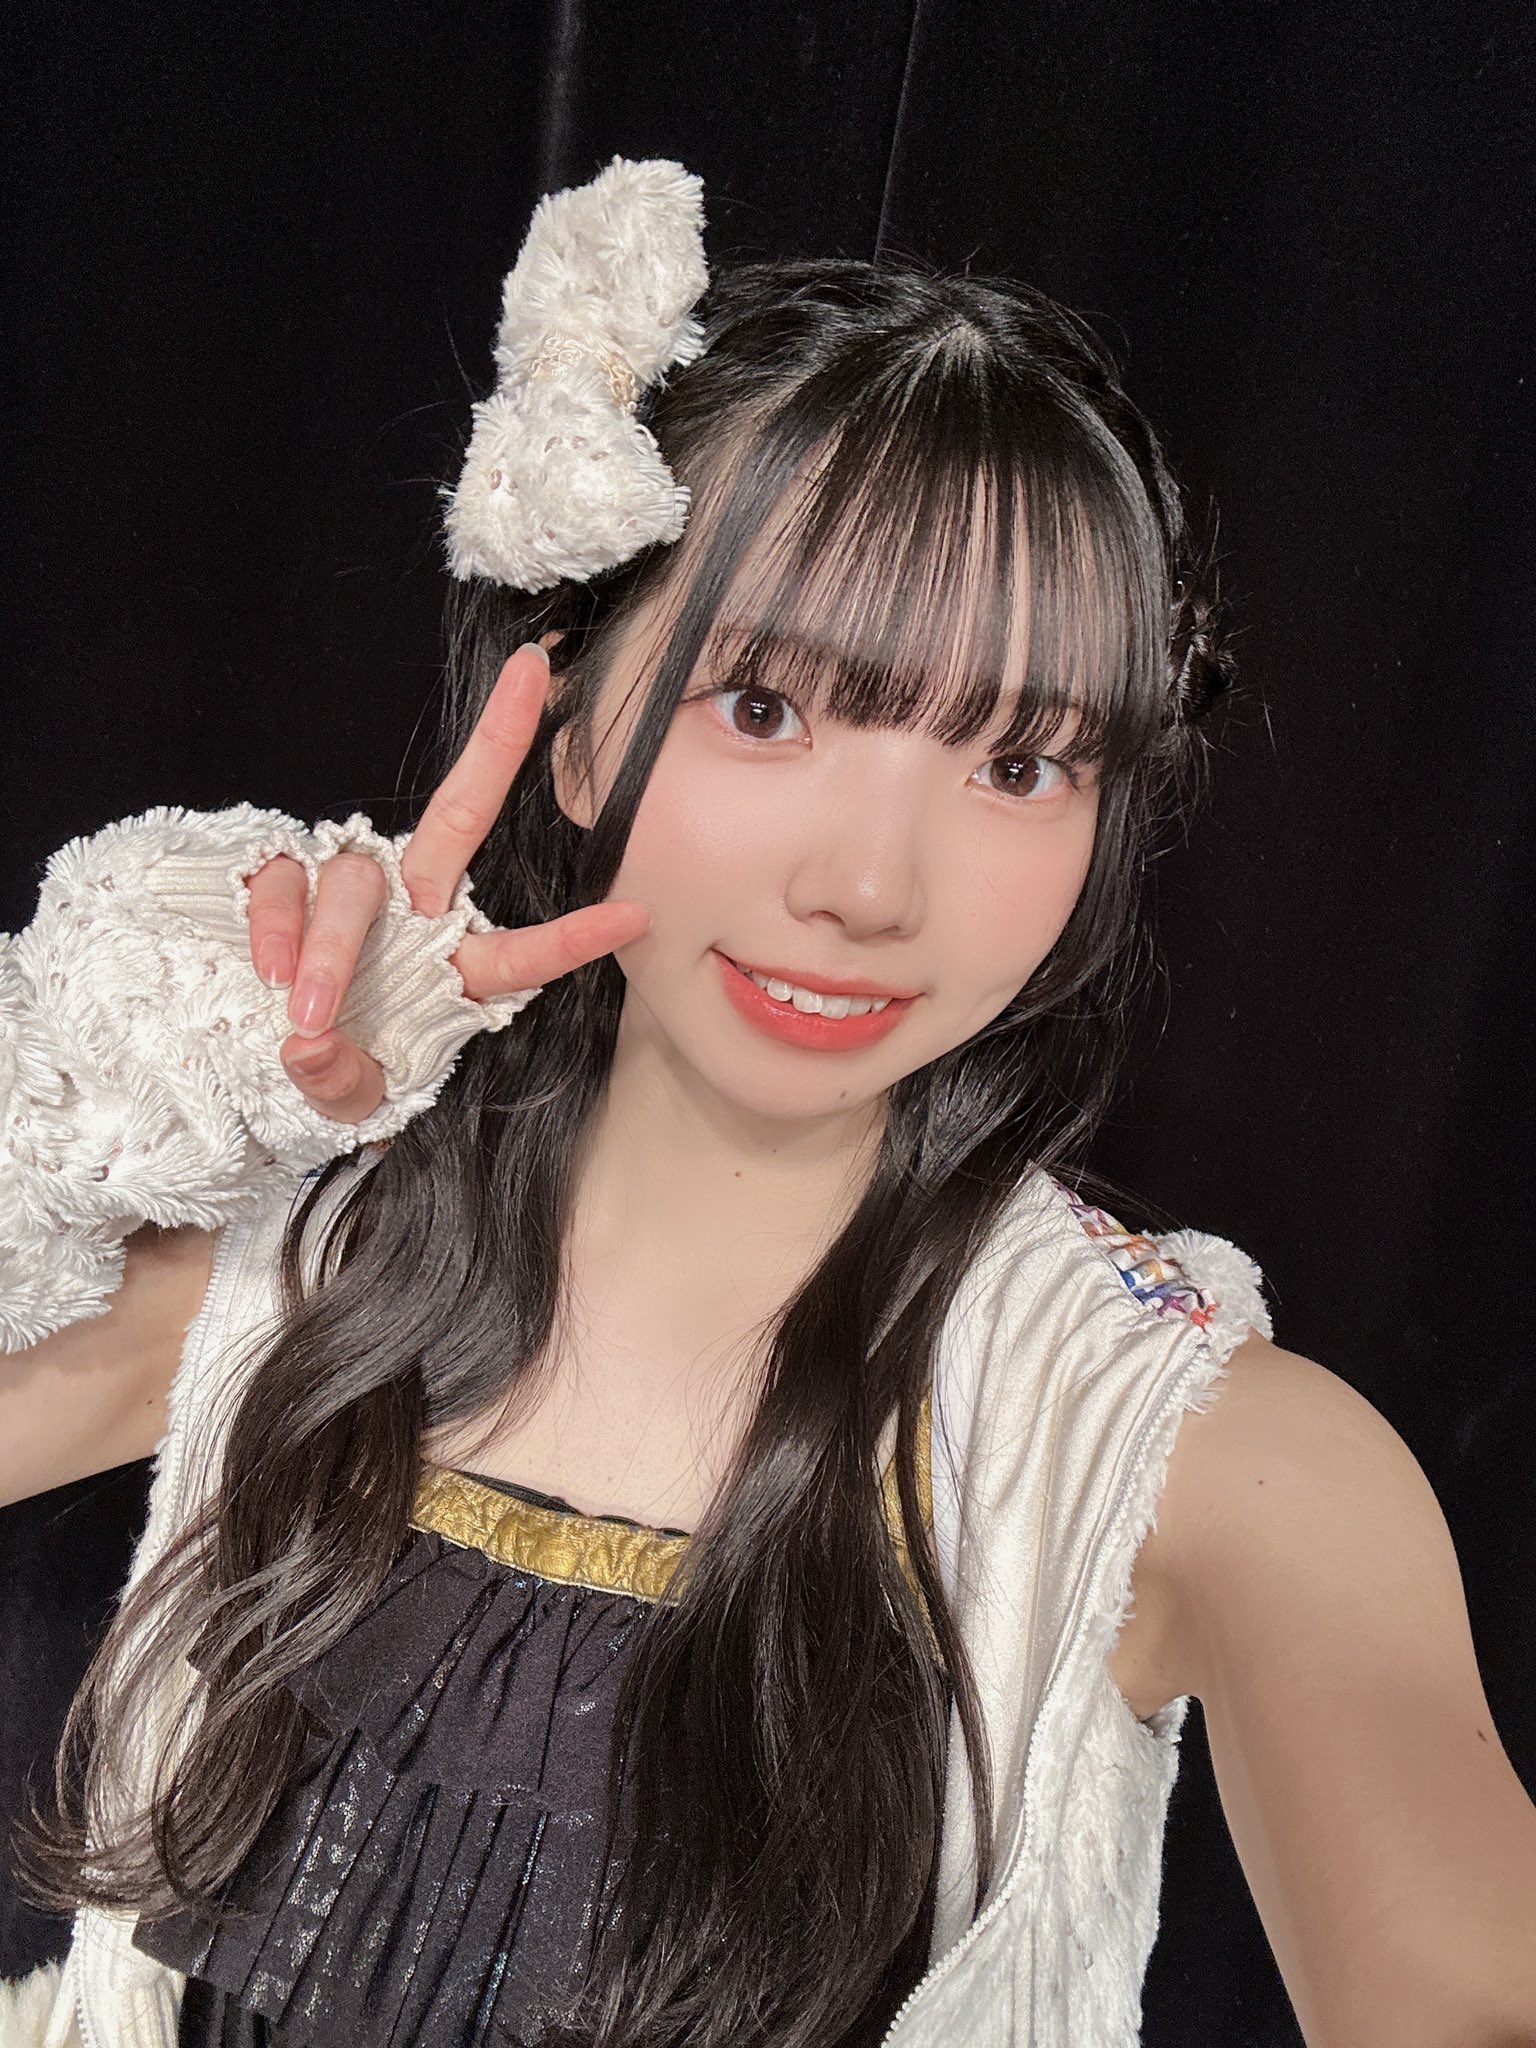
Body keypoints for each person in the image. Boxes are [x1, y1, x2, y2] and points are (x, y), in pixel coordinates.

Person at [2, 156, 1533, 2048]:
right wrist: (119, 1074)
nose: (872, 888)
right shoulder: (296, 1274)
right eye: (767, 709)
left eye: (1021, 762)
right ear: (571, 729)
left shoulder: (1201, 1459)